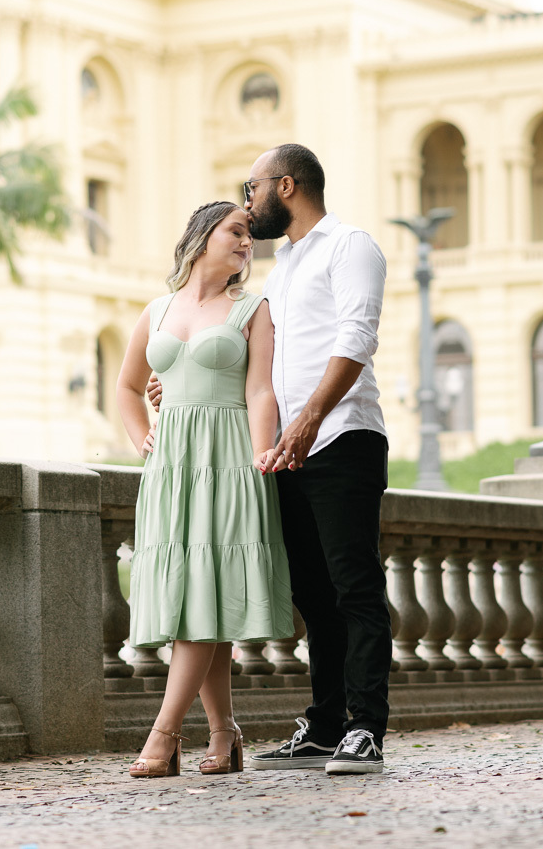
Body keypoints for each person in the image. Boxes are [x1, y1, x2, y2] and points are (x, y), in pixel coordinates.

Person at [149, 145, 392, 774]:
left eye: (251, 189)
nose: (247, 201)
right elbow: (253, 369)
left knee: (355, 588)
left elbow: (357, 337)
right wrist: (173, 384)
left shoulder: (351, 246)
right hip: (287, 449)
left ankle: (365, 730)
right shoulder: (278, 269)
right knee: (313, 596)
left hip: (340, 437)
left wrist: (310, 417)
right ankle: (324, 727)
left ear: (284, 185)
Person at [117, 200, 294, 779]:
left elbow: (260, 392)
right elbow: (127, 386)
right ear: (201, 237)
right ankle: (224, 734)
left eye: (249, 236)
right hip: (172, 467)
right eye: (236, 232)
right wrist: (144, 437)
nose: (247, 243)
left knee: (204, 602)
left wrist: (261, 455)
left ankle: (164, 733)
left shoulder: (253, 308)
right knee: (199, 600)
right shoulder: (158, 309)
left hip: (231, 461)